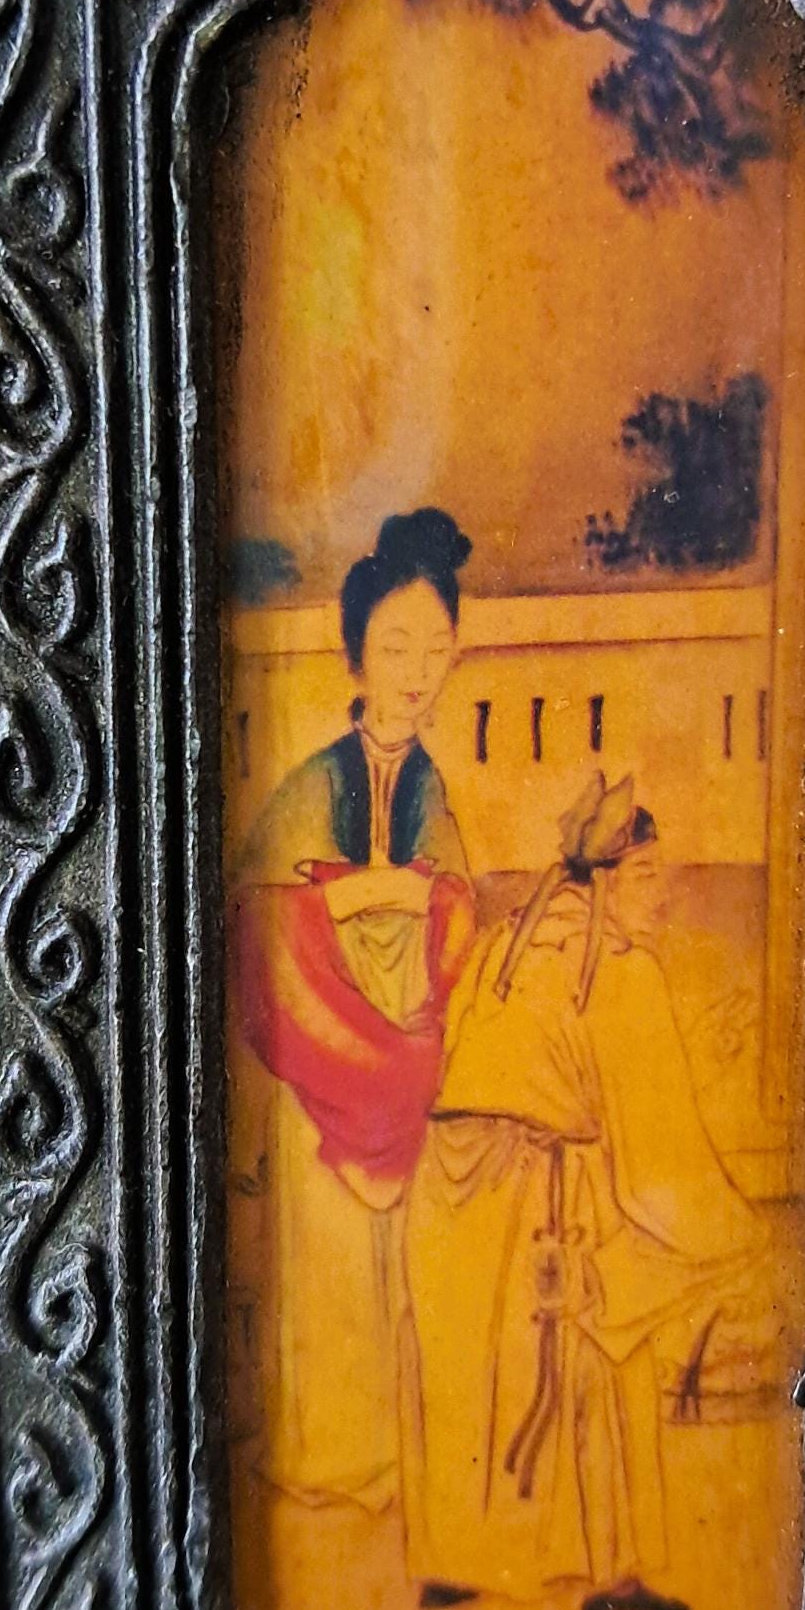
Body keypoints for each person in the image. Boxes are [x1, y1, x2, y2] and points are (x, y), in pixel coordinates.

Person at [398, 774, 764, 1610]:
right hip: (532, 1191)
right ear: (600, 884)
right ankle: (613, 1571)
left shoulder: (509, 944)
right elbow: (660, 1145)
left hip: (453, 1193)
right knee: (602, 1345)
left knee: (469, 1371)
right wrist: (734, 1235)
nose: (662, 897)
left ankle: (459, 1561)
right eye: (646, 877)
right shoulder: (621, 970)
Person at [229, 509, 476, 1509]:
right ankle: (328, 1461)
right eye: (396, 647)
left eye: (434, 648)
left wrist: (416, 903)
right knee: (325, 1264)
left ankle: (398, 1463)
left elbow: (459, 911)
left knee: (405, 1270)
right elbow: (262, 919)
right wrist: (377, 896)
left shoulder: (432, 788)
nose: (415, 672)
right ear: (357, 656)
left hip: (405, 1054)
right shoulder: (311, 784)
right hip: (320, 1059)